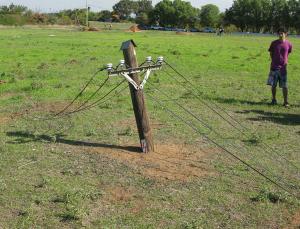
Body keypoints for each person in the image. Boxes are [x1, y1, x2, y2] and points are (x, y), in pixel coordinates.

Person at [268, 28, 293, 107]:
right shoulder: (274, 43)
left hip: (283, 69)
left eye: (282, 33)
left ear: (286, 34)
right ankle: (273, 100)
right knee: (273, 85)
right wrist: (274, 62)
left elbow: (288, 53)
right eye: (279, 33)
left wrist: (284, 61)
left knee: (284, 86)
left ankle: (285, 102)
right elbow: (271, 53)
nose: (280, 35)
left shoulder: (289, 44)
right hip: (274, 68)